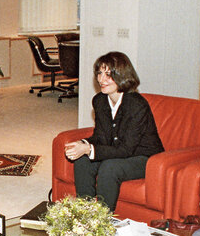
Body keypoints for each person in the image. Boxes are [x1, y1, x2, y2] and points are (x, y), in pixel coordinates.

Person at [64, 51, 164, 211]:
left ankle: (102, 221)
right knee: (82, 161)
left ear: (122, 75)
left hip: (145, 157)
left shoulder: (136, 105)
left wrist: (89, 149)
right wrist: (83, 144)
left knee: (110, 167)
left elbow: (126, 149)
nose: (101, 79)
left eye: (108, 74)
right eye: (99, 73)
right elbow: (101, 137)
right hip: (120, 152)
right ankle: (84, 214)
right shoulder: (100, 101)